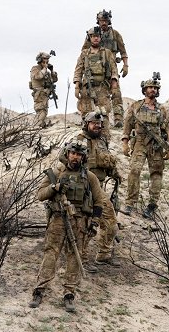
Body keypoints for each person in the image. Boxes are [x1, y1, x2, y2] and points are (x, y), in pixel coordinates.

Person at [29, 141, 105, 312]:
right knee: (51, 253)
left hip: (79, 222)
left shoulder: (90, 177)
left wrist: (94, 222)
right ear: (67, 153)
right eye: (73, 153)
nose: (75, 157)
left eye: (79, 154)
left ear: (83, 157)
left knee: (74, 257)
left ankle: (69, 293)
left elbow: (99, 202)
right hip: (57, 219)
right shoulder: (56, 172)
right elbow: (40, 195)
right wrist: (54, 188)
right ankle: (39, 290)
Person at [61, 111, 122, 272]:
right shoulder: (78, 140)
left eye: (100, 123)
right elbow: (63, 159)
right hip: (83, 189)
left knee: (110, 221)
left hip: (98, 188)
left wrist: (115, 173)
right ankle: (82, 258)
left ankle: (104, 254)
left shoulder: (102, 141)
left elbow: (107, 160)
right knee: (85, 225)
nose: (97, 126)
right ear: (86, 124)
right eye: (94, 123)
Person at [121, 74, 169, 218]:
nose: (152, 90)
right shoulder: (136, 106)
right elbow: (127, 125)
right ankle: (130, 203)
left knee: (156, 174)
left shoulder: (162, 110)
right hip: (140, 143)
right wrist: (125, 143)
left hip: (156, 146)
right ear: (144, 89)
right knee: (134, 171)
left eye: (155, 88)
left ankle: (152, 205)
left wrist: (167, 148)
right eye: (150, 87)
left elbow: (167, 130)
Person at [81, 9, 129, 128]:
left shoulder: (115, 34)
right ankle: (91, 118)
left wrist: (125, 65)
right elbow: (84, 51)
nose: (103, 23)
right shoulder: (93, 34)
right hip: (94, 68)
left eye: (106, 20)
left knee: (115, 91)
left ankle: (118, 119)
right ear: (98, 21)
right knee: (92, 93)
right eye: (101, 20)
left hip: (111, 66)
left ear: (109, 21)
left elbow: (123, 51)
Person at [74, 26, 118, 140]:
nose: (96, 39)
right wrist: (77, 86)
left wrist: (114, 86)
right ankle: (86, 141)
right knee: (86, 114)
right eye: (93, 36)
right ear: (90, 38)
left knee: (103, 114)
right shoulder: (84, 54)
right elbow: (78, 70)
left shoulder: (107, 53)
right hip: (87, 89)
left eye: (97, 36)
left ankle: (104, 140)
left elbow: (114, 70)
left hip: (102, 88)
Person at [30, 52, 58, 128]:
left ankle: (41, 125)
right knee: (40, 110)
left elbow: (54, 80)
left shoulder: (46, 72)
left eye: (47, 60)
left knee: (45, 111)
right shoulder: (35, 69)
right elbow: (38, 76)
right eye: (44, 60)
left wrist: (52, 71)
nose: (46, 62)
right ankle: (38, 125)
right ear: (40, 60)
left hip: (45, 94)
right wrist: (45, 68)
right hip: (39, 94)